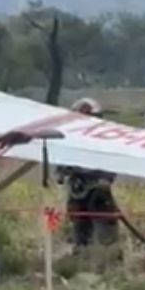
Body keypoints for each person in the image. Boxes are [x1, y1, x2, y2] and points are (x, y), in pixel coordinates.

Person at [60, 98, 121, 249]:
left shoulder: (105, 138)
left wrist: (106, 179)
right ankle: (82, 254)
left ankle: (108, 256)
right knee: (80, 226)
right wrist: (62, 173)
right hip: (77, 189)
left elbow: (113, 159)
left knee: (105, 226)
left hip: (98, 189)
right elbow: (61, 161)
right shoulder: (69, 138)